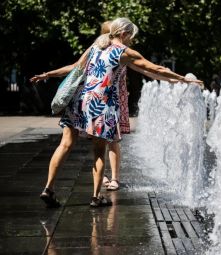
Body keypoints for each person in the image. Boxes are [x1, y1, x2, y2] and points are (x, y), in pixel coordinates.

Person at [31, 17, 203, 207]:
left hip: (79, 101)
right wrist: (182, 79)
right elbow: (155, 68)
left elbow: (74, 68)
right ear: (124, 34)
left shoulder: (97, 44)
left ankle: (48, 188)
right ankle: (96, 197)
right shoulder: (123, 51)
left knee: (64, 145)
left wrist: (48, 74)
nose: (132, 40)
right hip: (101, 105)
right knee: (98, 150)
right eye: (131, 36)